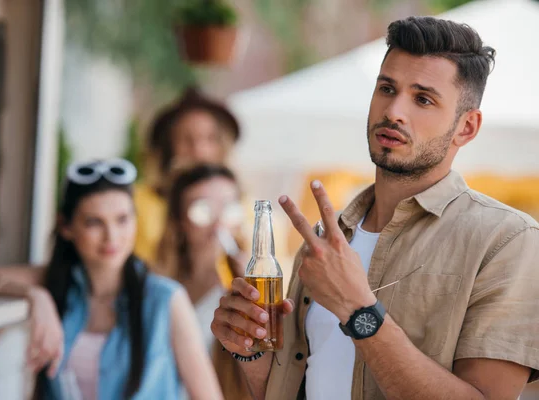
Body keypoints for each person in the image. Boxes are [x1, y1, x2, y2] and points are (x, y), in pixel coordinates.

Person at [210, 16, 539, 400]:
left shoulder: (507, 242)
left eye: (423, 99)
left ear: (466, 127)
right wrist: (250, 349)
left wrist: (357, 308)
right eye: (387, 88)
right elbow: (294, 386)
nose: (394, 110)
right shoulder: (325, 240)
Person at [0, 158, 223, 400]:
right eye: (94, 222)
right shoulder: (52, 281)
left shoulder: (166, 299)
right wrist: (35, 296)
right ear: (66, 227)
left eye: (122, 219)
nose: (112, 236)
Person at [155, 163, 252, 400]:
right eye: (202, 210)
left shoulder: (247, 291)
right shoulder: (156, 287)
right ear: (178, 220)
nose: (218, 223)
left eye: (229, 209)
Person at [133, 87, 241, 281]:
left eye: (209, 139)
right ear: (168, 146)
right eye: (186, 139)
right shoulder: (139, 201)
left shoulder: (244, 203)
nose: (198, 150)